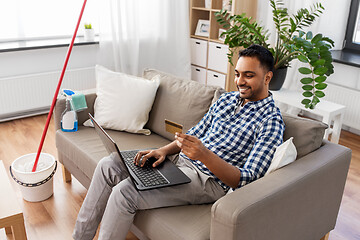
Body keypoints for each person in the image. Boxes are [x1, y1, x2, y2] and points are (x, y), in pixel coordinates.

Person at [73, 44, 285, 240]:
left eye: (249, 76)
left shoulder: (270, 121)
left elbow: (247, 180)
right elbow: (196, 133)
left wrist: (204, 155)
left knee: (125, 192)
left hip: (208, 181)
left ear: (267, 78)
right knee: (108, 165)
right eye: (238, 74)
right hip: (179, 162)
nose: (240, 81)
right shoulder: (227, 100)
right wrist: (163, 150)